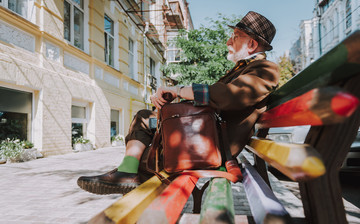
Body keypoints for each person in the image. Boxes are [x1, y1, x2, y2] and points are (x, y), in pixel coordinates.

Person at [77, 11, 280, 195]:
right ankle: (126, 172)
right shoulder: (244, 69)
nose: (229, 41)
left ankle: (132, 191)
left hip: (210, 146)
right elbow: (217, 99)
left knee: (146, 158)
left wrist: (179, 90)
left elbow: (228, 96)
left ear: (251, 44)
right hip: (201, 136)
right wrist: (174, 103)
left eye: (235, 36)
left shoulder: (266, 69)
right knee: (144, 117)